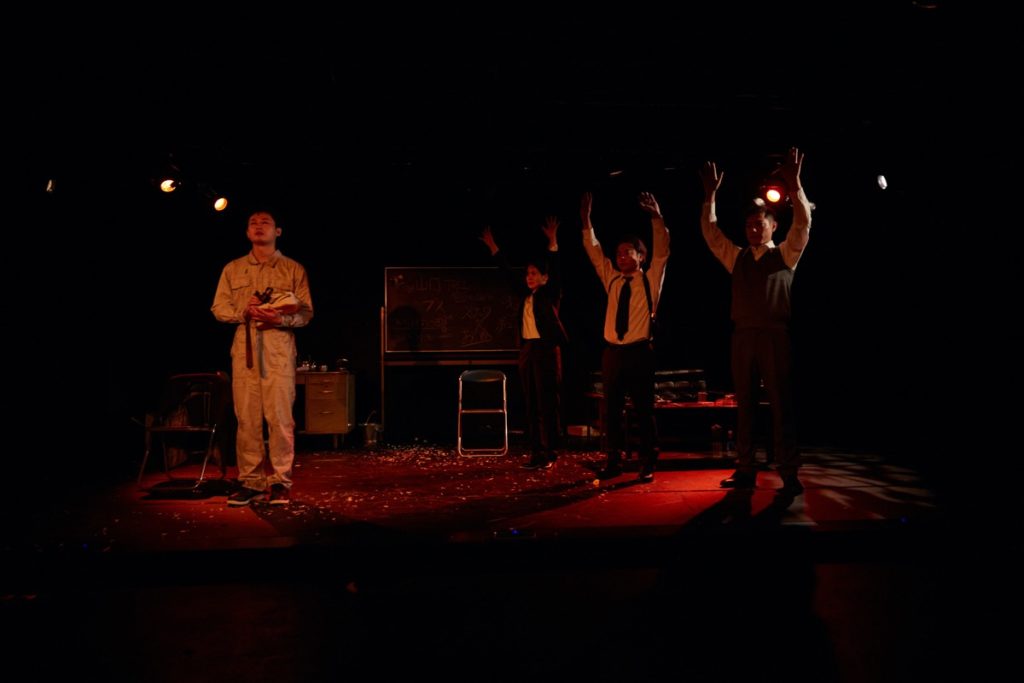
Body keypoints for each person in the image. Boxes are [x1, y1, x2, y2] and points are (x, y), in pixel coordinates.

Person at [699, 147, 811, 497]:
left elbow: (803, 224)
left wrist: (795, 185)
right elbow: (711, 234)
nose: (753, 228)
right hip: (743, 336)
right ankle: (745, 468)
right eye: (749, 224)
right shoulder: (738, 257)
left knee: (780, 404)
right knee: (744, 404)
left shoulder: (785, 255)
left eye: (759, 223)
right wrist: (710, 196)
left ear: (773, 226)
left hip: (774, 335)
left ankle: (788, 471)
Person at [212, 209, 313, 506]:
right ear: (247, 232)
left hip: (278, 352)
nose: (259, 226)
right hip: (245, 351)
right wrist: (243, 311)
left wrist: (280, 319)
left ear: (277, 231)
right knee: (247, 420)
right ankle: (251, 482)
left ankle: (280, 481)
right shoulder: (233, 269)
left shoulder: (293, 269)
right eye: (253, 223)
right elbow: (219, 307)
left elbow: (306, 313)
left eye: (265, 222)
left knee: (280, 419)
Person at [581, 191, 670, 482]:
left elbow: (662, 251)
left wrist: (656, 218)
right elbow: (595, 253)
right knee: (612, 411)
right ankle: (614, 460)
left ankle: (647, 460)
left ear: (640, 256)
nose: (621, 257)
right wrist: (586, 223)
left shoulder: (649, 279)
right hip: (613, 353)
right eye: (618, 253)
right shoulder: (612, 279)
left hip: (639, 352)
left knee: (644, 409)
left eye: (627, 252)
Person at [479, 216, 569, 469]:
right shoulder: (525, 295)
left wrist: (553, 242)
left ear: (544, 278)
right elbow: (508, 274)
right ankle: (538, 452)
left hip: (546, 350)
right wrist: (494, 248)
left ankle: (550, 451)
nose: (529, 277)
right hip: (528, 350)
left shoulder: (550, 294)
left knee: (547, 403)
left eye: (534, 273)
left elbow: (556, 268)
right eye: (528, 274)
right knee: (532, 403)